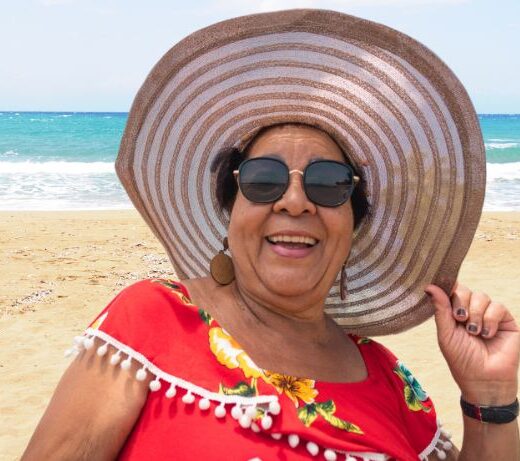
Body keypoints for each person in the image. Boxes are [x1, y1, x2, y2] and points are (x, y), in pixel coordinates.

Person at [22, 9, 519, 461]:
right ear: (231, 209)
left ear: (352, 225)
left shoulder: (392, 384)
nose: (294, 201)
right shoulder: (152, 322)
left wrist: (489, 396)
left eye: (329, 184)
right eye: (264, 179)